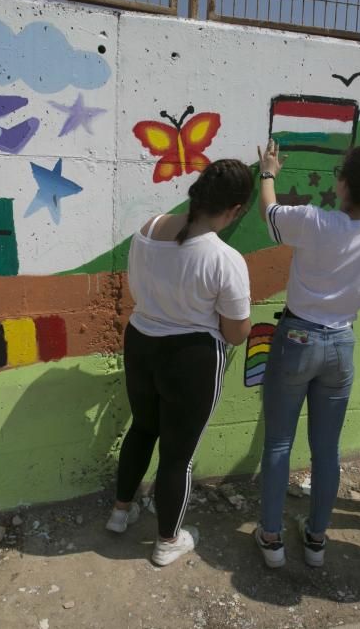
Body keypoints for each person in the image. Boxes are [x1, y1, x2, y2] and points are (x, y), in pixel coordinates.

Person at [253, 140, 360, 568]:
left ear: (342, 183)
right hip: (341, 345)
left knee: (279, 442)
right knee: (326, 450)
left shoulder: (313, 221)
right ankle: (316, 540)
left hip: (296, 338)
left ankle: (271, 537)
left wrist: (267, 172)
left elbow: (269, 213)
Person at [106, 159, 254, 567]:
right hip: (191, 358)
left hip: (140, 342)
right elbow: (238, 331)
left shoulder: (148, 228)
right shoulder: (225, 259)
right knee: (177, 455)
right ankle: (168, 540)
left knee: (142, 428)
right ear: (235, 210)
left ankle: (121, 512)